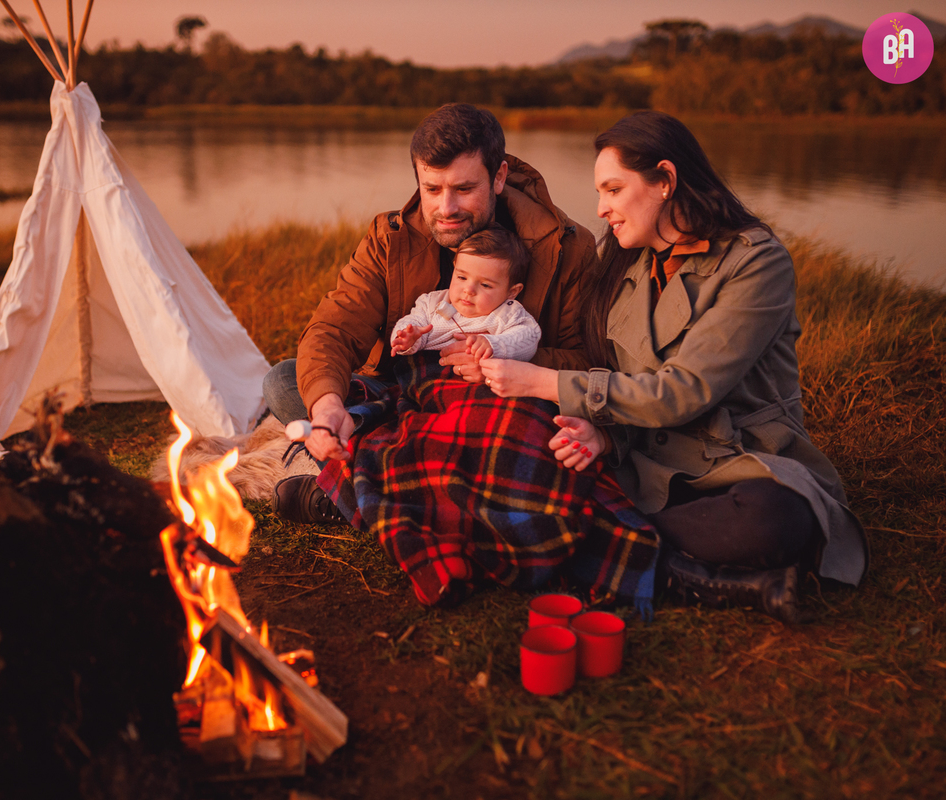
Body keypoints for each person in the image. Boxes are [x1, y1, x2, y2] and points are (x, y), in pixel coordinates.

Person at [477, 110, 868, 621]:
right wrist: (603, 437)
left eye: (614, 190)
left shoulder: (756, 262)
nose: (602, 208)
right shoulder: (625, 263)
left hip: (738, 460)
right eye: (600, 193)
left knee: (776, 519)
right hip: (646, 463)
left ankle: (600, 544)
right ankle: (693, 573)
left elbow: (683, 392)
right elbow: (624, 380)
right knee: (528, 465)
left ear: (665, 179)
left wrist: (546, 382)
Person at [264, 103, 597, 523]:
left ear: (499, 177)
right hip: (401, 395)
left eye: (464, 188)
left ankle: (354, 491)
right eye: (432, 189)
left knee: (544, 430)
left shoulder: (568, 247)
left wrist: (502, 362)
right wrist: (328, 407)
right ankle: (416, 483)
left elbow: (585, 360)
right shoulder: (388, 238)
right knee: (284, 382)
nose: (446, 207)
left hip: (499, 402)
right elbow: (334, 328)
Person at [390, 226, 540, 363]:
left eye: (485, 285)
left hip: (476, 377)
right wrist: (407, 337)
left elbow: (529, 337)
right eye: (462, 277)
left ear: (512, 292)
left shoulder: (506, 313)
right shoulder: (432, 303)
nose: (469, 290)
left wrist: (493, 344)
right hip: (423, 369)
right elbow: (413, 321)